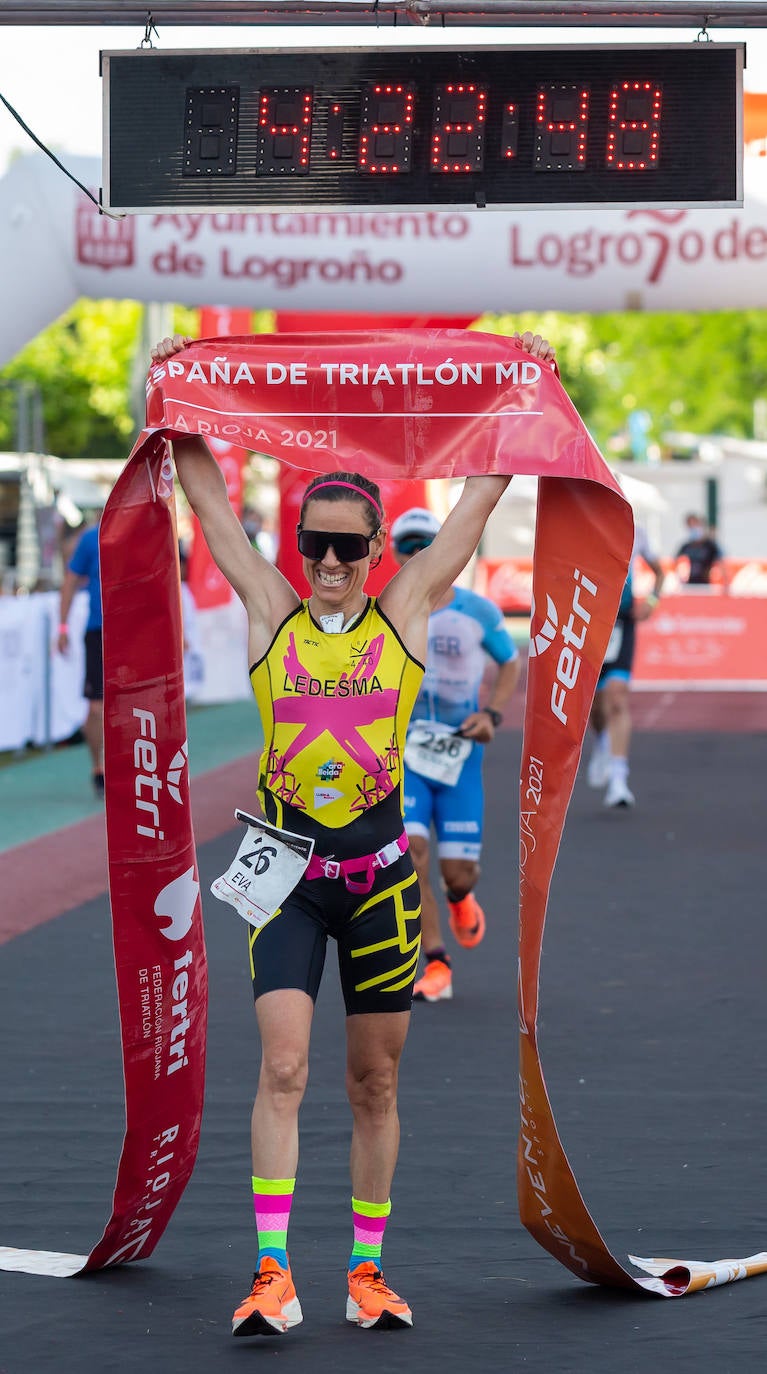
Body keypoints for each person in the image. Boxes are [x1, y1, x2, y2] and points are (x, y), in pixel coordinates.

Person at [150, 328, 556, 1339]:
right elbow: (205, 503)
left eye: (347, 546)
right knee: (281, 1066)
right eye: (313, 544)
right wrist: (171, 393)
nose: (328, 561)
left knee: (371, 1081)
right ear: (299, 551)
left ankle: (365, 1275)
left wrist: (519, 387)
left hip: (378, 884)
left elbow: (471, 510)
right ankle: (271, 1274)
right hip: (285, 877)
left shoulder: (408, 612)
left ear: (377, 554)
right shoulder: (270, 613)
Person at [391, 507, 521, 1004]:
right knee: (413, 855)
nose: (419, 553)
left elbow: (509, 664)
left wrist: (491, 714)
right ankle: (437, 963)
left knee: (456, 873)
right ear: (394, 553)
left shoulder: (477, 611)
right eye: (408, 545)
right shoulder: (386, 611)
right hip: (405, 757)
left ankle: (462, 898)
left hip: (460, 757)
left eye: (427, 542)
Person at [586, 524, 664, 808]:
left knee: (617, 698)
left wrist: (652, 601)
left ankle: (619, 780)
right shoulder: (578, 524)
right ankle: (602, 741)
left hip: (622, 622)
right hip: (588, 622)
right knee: (595, 706)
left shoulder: (636, 530)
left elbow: (659, 571)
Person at [57, 515, 104, 796]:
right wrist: (62, 626)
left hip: (134, 631)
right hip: (98, 631)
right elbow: (71, 580)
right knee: (97, 707)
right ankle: (98, 766)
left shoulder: (144, 531)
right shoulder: (91, 537)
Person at [674, 512, 727, 588]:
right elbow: (675, 561)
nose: (692, 529)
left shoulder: (710, 546)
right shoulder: (687, 546)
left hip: (705, 585)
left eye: (694, 525)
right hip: (690, 584)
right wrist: (679, 578)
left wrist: (725, 584)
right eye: (690, 526)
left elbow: (722, 563)